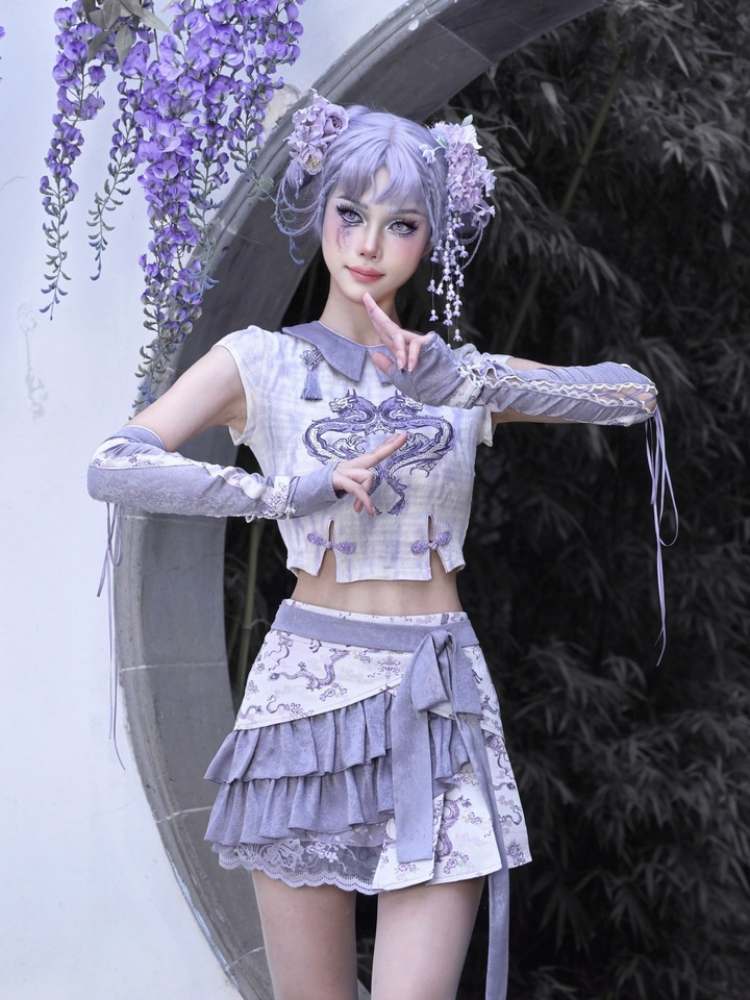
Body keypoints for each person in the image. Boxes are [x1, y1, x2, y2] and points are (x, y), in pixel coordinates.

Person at [87, 96, 676, 1000]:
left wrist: (466, 380)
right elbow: (114, 464)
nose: (368, 244)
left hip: (439, 700)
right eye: (350, 213)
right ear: (321, 212)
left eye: (400, 223)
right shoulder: (260, 362)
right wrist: (285, 491)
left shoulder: (455, 372)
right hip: (303, 702)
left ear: (429, 238)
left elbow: (631, 394)